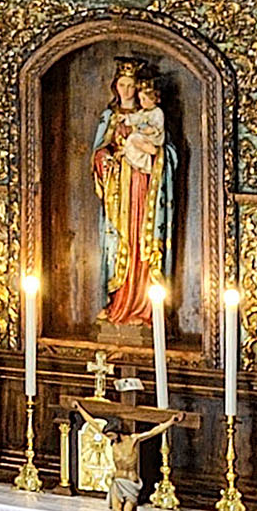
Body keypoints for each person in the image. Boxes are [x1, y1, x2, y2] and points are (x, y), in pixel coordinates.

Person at [93, 65, 177, 327]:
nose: (127, 91)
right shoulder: (110, 117)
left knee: (144, 240)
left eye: (132, 86)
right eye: (122, 85)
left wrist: (155, 156)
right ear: (115, 87)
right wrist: (106, 160)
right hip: (118, 192)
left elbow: (167, 152)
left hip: (144, 187)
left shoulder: (150, 117)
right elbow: (98, 152)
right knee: (120, 243)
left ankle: (144, 304)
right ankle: (118, 301)